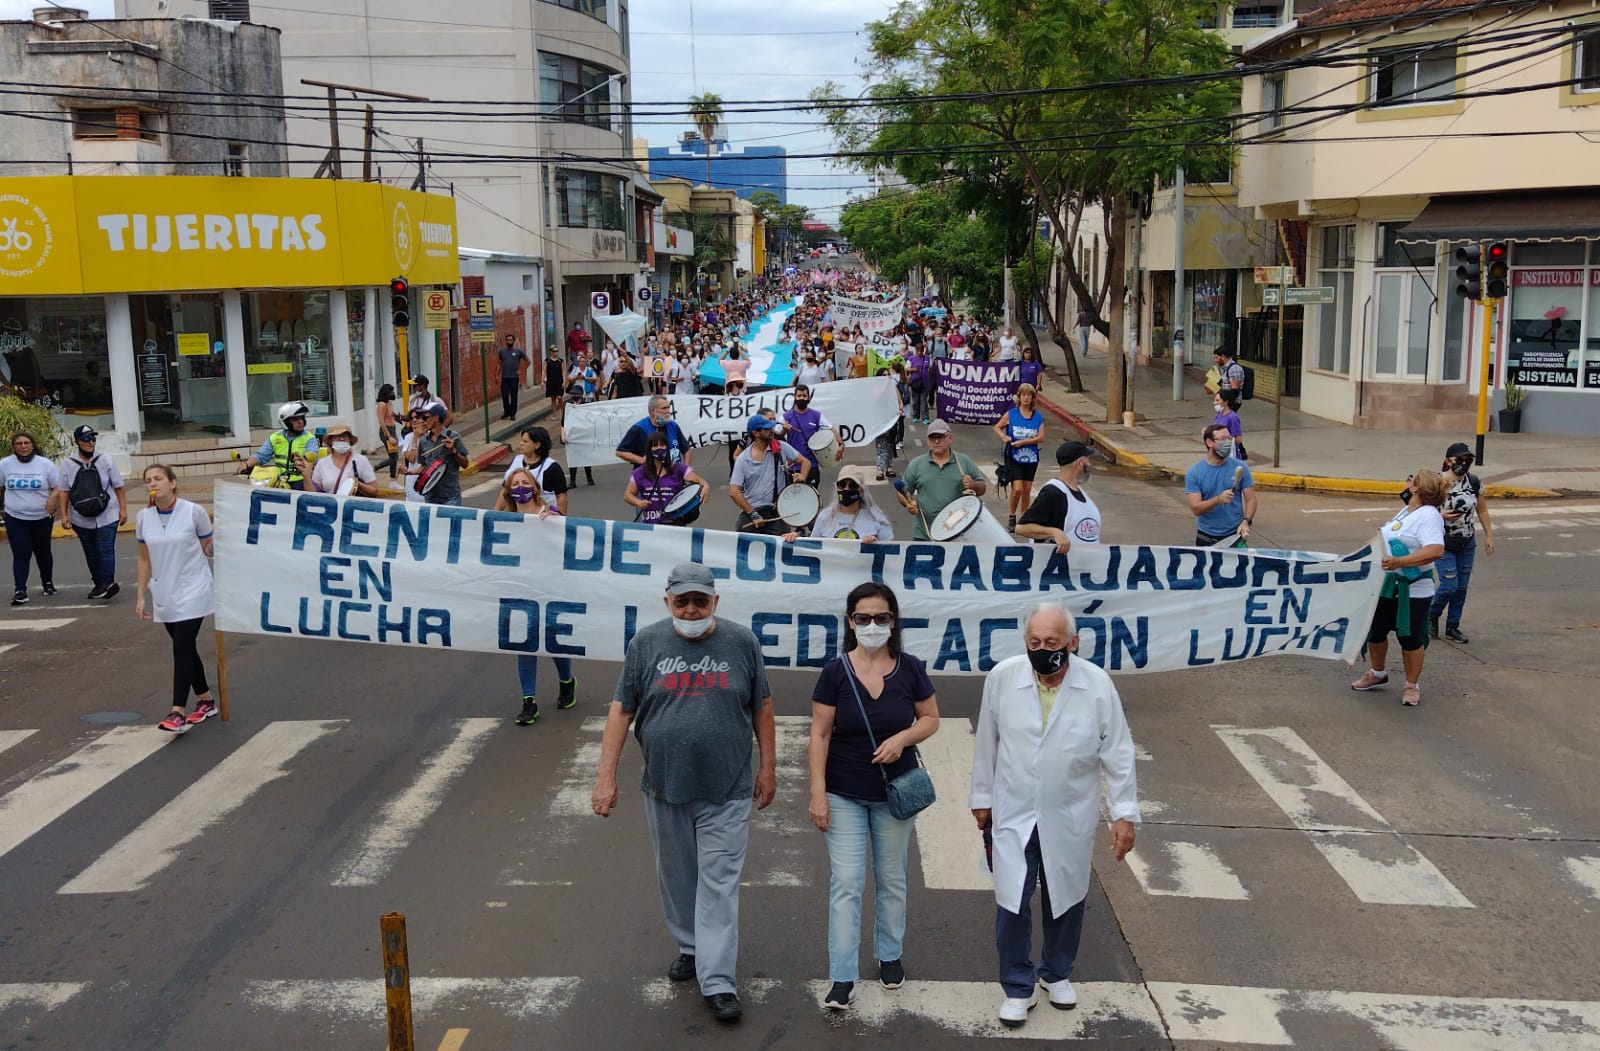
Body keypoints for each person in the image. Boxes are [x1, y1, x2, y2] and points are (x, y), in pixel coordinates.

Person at [590, 562, 778, 1025]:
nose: (691, 610)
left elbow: (763, 705)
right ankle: (691, 947)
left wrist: (769, 767)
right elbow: (621, 710)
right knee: (677, 879)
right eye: (682, 601)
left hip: (727, 787)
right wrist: (605, 776)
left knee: (718, 883)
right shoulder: (646, 643)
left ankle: (718, 981)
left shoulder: (741, 642)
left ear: (715, 602)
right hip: (665, 785)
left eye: (700, 601)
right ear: (667, 601)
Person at [969, 602, 1139, 1029]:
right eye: (1035, 642)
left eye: (1052, 643)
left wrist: (1123, 815)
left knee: (1066, 895)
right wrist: (981, 797)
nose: (1043, 650)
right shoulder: (1004, 677)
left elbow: (1117, 752)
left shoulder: (1097, 685)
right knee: (1012, 897)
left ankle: (1056, 972)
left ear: (1073, 643)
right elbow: (987, 741)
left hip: (1069, 812)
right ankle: (1016, 985)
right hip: (1014, 809)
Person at [808, 582, 941, 1010]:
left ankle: (889, 955)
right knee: (846, 883)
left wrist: (902, 738)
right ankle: (842, 976)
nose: (872, 625)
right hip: (843, 792)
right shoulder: (834, 673)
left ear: (893, 621)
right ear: (850, 622)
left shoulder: (911, 668)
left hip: (895, 793)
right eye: (862, 618)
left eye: (881, 618)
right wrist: (817, 793)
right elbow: (820, 733)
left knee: (892, 879)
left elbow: (930, 718)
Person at [1352, 468, 1447, 708]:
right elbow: (1385, 539)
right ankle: (1378, 672)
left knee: (1410, 637)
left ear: (1416, 488)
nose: (1406, 483)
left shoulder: (1429, 515)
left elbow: (1435, 549)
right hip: (1386, 586)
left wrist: (1400, 562)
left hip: (1413, 590)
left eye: (1410, 480)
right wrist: (1357, 556)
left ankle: (1411, 685)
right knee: (1376, 631)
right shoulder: (1407, 511)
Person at [136, 464, 220, 734]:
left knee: (182, 646)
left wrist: (220, 538)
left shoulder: (193, 512)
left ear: (172, 483)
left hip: (194, 587)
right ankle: (205, 699)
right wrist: (140, 596)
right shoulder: (143, 517)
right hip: (164, 591)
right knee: (186, 648)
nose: (153, 483)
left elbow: (208, 549)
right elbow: (143, 559)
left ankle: (177, 712)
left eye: (158, 478)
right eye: (148, 480)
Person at [495, 467, 576, 726]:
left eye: (524, 482)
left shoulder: (550, 514)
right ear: (509, 491)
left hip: (551, 587)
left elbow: (569, 538)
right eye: (515, 483)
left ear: (534, 486)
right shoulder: (505, 522)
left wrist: (553, 517)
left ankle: (567, 681)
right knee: (525, 643)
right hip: (520, 589)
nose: (520, 486)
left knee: (553, 641)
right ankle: (528, 702)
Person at [1430, 442, 1494, 644]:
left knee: (1461, 588)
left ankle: (1453, 626)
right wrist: (1441, 515)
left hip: (1467, 541)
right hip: (1442, 541)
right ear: (1449, 460)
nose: (1464, 463)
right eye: (1460, 459)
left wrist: (1489, 536)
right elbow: (1421, 511)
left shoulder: (1474, 482)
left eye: (1468, 460)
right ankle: (1431, 614)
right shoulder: (1437, 483)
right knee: (1449, 585)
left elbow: (1482, 510)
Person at [55, 425, 126, 600]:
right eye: (86, 439)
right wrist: (64, 515)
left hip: (107, 513)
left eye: (93, 439)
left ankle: (108, 583)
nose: (90, 442)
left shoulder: (105, 459)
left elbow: (118, 486)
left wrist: (123, 509)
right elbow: (64, 491)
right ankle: (99, 584)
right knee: (91, 551)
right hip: (81, 517)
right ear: (77, 442)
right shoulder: (67, 464)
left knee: (105, 548)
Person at [894, 419, 987, 541]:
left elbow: (982, 488)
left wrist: (973, 484)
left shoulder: (963, 461)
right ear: (927, 440)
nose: (936, 441)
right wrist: (908, 504)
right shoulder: (916, 464)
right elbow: (902, 492)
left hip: (958, 533)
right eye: (932, 438)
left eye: (940, 437)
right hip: (924, 534)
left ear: (950, 438)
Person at [2, 431, 63, 606]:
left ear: (33, 445)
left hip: (42, 517)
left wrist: (52, 498)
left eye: (26, 443)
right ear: (14, 447)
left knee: (43, 551)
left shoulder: (45, 464)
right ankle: (20, 590)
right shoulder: (5, 464)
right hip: (15, 517)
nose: (23, 446)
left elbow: (58, 486)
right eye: (19, 444)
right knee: (21, 553)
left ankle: (47, 583)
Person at [729, 415, 810, 535]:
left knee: (782, 546)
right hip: (752, 510)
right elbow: (733, 491)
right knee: (742, 541)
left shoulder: (781, 447)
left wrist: (802, 476)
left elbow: (805, 462)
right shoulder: (743, 459)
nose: (772, 431)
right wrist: (752, 514)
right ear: (756, 433)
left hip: (776, 510)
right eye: (767, 429)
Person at [1017, 441, 1100, 554]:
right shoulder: (1053, 492)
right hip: (1057, 569)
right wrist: (1054, 532)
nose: (1090, 464)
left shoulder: (1079, 492)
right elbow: (1022, 528)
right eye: (1088, 460)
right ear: (1080, 464)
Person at [1185, 423, 1256, 547]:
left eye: (1229, 438)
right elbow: (1196, 509)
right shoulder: (1195, 472)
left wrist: (1246, 521)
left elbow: (1251, 499)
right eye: (1222, 439)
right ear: (1209, 442)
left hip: (1235, 537)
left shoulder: (1240, 467)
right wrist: (1218, 500)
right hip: (1206, 538)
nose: (1228, 442)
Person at [784, 466, 895, 543]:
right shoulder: (825, 517)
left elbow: (894, 553)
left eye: (852, 485)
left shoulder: (877, 519)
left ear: (861, 491)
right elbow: (813, 549)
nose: (846, 489)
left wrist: (877, 546)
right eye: (842, 485)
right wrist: (797, 540)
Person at [627, 430, 710, 525]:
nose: (659, 448)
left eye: (662, 445)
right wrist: (639, 503)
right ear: (649, 449)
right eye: (655, 445)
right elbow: (628, 495)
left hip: (674, 525)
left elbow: (701, 482)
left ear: (667, 447)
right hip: (651, 526)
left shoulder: (679, 468)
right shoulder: (639, 473)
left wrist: (706, 487)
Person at [994, 383, 1045, 531]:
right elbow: (997, 427)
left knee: (1027, 488)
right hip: (1013, 457)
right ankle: (1012, 515)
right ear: (1019, 397)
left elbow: (1041, 437)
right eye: (1023, 395)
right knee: (1017, 489)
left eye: (1029, 395)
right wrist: (1003, 436)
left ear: (1033, 398)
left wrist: (1024, 442)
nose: (1026, 398)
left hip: (1031, 457)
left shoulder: (1037, 416)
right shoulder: (1011, 414)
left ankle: (1024, 518)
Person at [236, 401, 319, 490]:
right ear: (285, 422)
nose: (300, 422)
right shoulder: (275, 437)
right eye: (295, 419)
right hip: (279, 480)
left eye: (302, 418)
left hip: (301, 481)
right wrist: (246, 465)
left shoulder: (310, 439)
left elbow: (311, 458)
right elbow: (261, 455)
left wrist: (305, 464)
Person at [406, 405, 469, 506]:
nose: (423, 421)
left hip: (450, 497)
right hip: (430, 497)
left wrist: (454, 451)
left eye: (425, 418)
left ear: (436, 418)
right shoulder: (423, 441)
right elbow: (423, 467)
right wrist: (409, 472)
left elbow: (465, 464)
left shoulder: (453, 436)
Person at [783, 385, 844, 484]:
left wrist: (841, 444)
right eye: (799, 396)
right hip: (793, 467)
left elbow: (830, 428)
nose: (801, 398)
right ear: (794, 397)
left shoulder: (816, 415)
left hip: (812, 466)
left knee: (813, 497)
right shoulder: (786, 416)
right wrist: (784, 430)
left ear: (809, 398)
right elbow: (776, 435)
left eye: (804, 396)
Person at [504, 426, 569, 516]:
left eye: (525, 441)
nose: (521, 444)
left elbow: (561, 495)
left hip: (544, 518)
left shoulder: (551, 467)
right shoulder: (516, 461)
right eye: (521, 440)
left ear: (537, 445)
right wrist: (495, 512)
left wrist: (560, 518)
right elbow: (505, 490)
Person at [617, 394, 692, 469]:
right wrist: (641, 460)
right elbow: (620, 452)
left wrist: (685, 470)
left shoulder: (673, 426)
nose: (668, 411)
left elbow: (686, 449)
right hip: (649, 477)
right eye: (664, 408)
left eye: (668, 408)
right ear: (652, 411)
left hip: (673, 477)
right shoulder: (639, 429)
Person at [310, 422, 380, 496]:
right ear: (331, 441)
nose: (342, 438)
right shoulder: (322, 463)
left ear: (350, 440)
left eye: (345, 436)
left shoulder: (361, 460)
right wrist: (306, 475)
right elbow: (315, 493)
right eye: (337, 436)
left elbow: (374, 491)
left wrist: (356, 484)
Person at [498, 333, 531, 420]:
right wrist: (497, 375)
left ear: (513, 341)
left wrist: (522, 370)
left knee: (513, 396)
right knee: (504, 395)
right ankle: (506, 412)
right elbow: (499, 363)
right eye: (507, 340)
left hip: (514, 377)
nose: (509, 341)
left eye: (510, 340)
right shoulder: (502, 352)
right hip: (505, 377)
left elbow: (528, 361)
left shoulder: (518, 351)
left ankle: (512, 414)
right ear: (505, 341)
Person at [373, 384, 401, 482]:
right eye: (391, 391)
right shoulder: (382, 404)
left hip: (392, 429)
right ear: (386, 392)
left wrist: (397, 416)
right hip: (387, 431)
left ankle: (392, 480)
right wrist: (389, 436)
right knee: (394, 457)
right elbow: (381, 421)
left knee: (394, 456)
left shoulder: (389, 403)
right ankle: (376, 468)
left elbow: (390, 416)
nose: (393, 393)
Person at [1211, 391, 1246, 462]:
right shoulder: (1218, 416)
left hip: (1230, 455)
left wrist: (1223, 440)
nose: (1214, 403)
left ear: (1226, 402)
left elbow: (1238, 439)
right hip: (1218, 453)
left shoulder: (1232, 417)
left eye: (1217, 400)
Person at [906, 344, 931, 424]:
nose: (919, 352)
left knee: (924, 401)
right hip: (915, 383)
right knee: (915, 401)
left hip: (925, 383)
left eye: (921, 351)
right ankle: (915, 417)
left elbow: (931, 367)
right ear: (915, 350)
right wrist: (913, 369)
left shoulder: (927, 358)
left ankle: (925, 418)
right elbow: (906, 368)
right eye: (918, 351)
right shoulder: (911, 358)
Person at [544, 350, 567, 421]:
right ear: (551, 352)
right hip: (551, 381)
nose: (555, 352)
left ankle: (564, 413)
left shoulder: (561, 361)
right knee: (553, 398)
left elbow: (563, 371)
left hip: (559, 381)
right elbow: (544, 370)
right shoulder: (547, 360)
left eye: (557, 351)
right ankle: (554, 414)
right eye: (554, 351)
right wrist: (542, 380)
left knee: (560, 398)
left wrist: (564, 381)